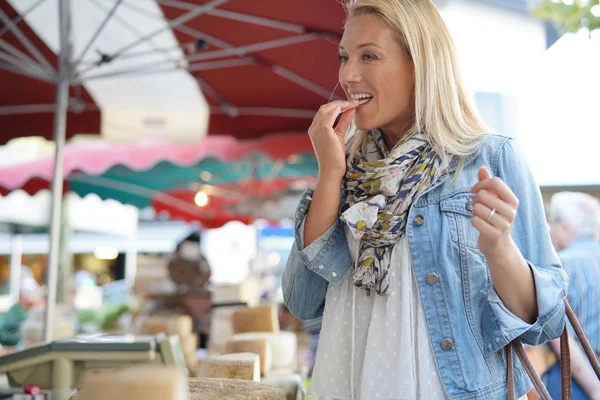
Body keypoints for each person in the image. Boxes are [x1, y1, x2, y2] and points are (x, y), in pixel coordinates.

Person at [281, 1, 569, 399]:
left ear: (420, 64)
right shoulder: (345, 170)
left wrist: (500, 249)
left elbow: (545, 323)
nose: (348, 74)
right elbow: (303, 301)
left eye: (369, 56)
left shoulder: (490, 159)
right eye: (344, 57)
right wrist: (330, 174)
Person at [543, 192, 600, 399]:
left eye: (552, 222)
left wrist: (595, 388)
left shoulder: (562, 267)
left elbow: (561, 337)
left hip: (577, 382)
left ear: (565, 226)